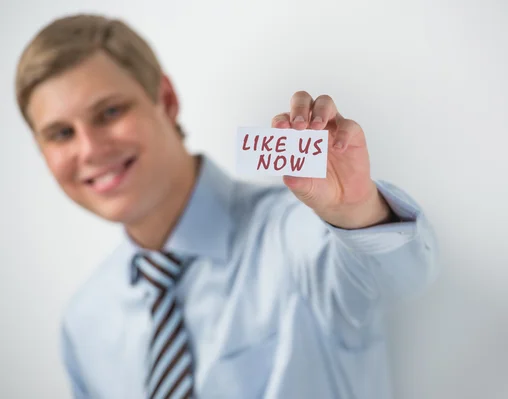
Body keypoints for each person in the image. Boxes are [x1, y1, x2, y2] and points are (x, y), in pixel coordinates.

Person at [15, 13, 439, 399]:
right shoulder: (85, 322)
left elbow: (399, 283)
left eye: (109, 112)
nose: (90, 149)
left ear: (165, 99)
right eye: (60, 134)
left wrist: (355, 211)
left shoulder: (296, 236)